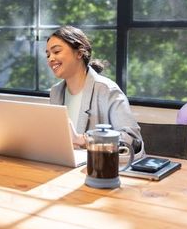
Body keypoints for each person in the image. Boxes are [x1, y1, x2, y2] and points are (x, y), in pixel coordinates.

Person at [46, 26, 144, 159]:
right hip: (65, 166)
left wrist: (84, 140)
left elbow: (132, 140)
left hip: (101, 170)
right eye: (48, 54)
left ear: (79, 53)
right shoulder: (56, 92)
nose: (50, 59)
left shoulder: (107, 90)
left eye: (56, 51)